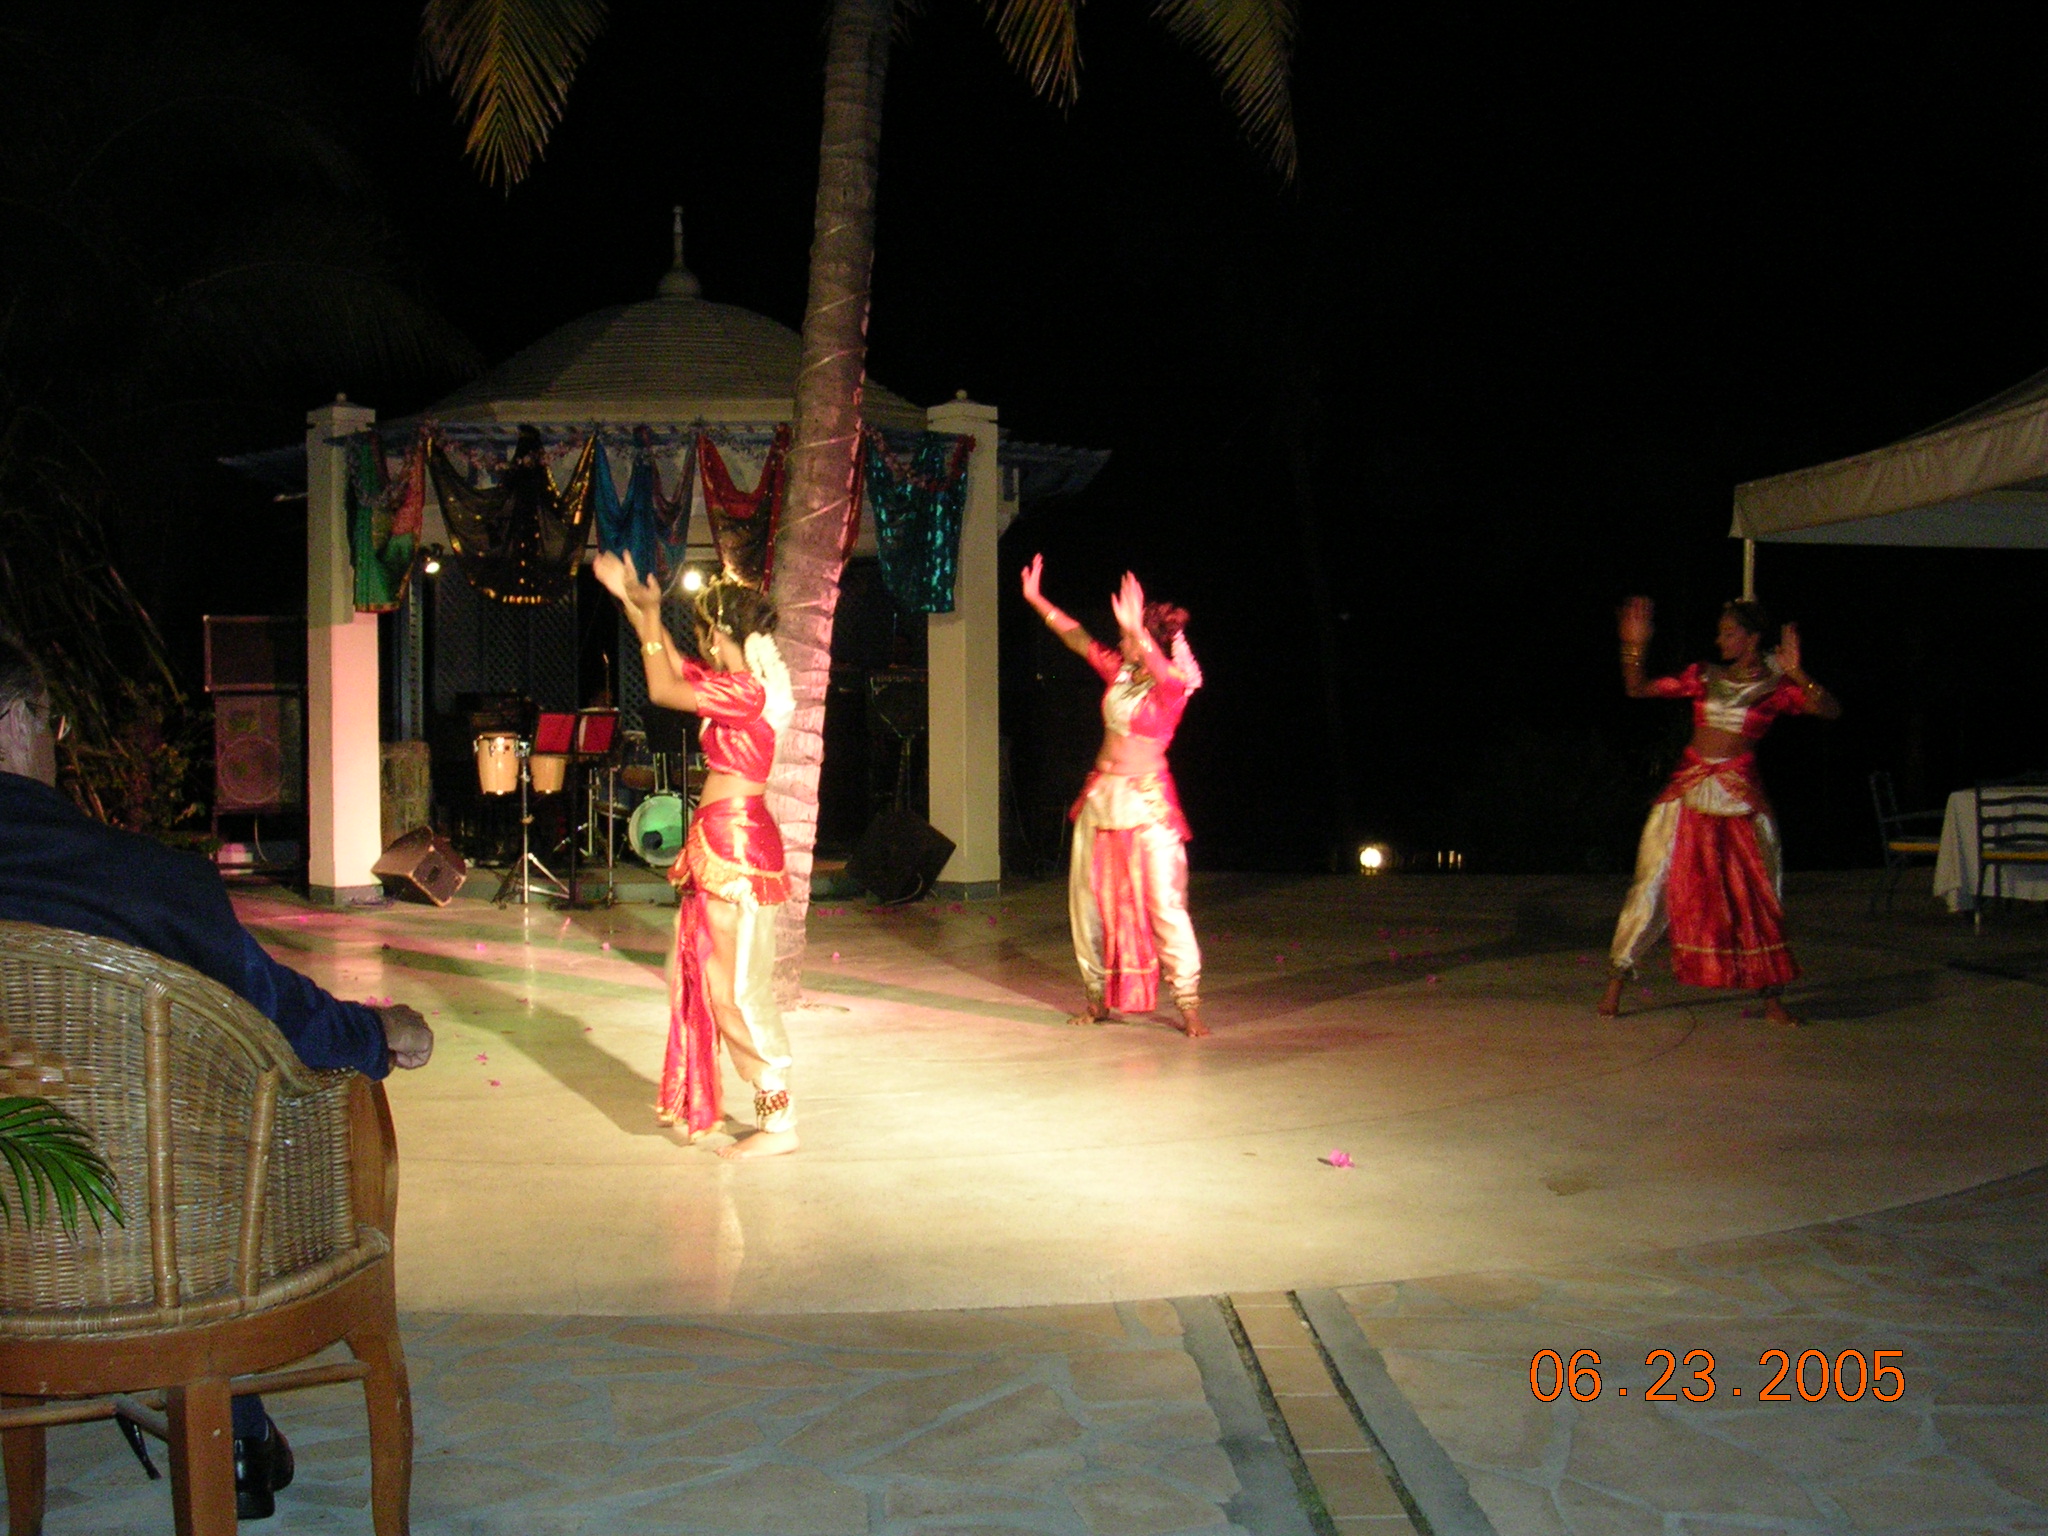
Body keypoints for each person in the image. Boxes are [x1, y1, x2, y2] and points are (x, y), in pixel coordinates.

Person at [0, 631, 433, 1520]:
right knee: (213, 1142)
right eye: (53, 724)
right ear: (18, 723)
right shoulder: (144, 881)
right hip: (154, 1248)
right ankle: (233, 1430)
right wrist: (378, 1033)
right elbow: (282, 1019)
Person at [592, 552, 799, 1159]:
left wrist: (650, 611)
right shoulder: (735, 686)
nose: (701, 642)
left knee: (735, 989)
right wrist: (633, 604)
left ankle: (779, 1120)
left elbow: (661, 685)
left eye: (704, 629)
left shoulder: (746, 692)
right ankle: (762, 1109)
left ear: (719, 632)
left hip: (736, 846)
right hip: (724, 840)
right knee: (706, 980)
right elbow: (672, 662)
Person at [1598, 597, 1841, 1026]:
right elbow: (1637, 688)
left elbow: (1830, 710)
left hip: (1741, 797)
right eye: (1720, 632)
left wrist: (1798, 672)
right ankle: (1616, 981)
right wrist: (1634, 645)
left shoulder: (1775, 686)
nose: (1719, 640)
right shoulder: (1703, 675)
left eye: (1729, 632)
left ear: (1753, 638)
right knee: (1653, 880)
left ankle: (1772, 998)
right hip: (1688, 788)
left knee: (1756, 895)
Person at [1021, 557, 1208, 1038]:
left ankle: (1188, 1004)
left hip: (1146, 806)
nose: (1120, 645)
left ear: (1151, 645)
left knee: (1164, 905)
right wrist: (1037, 600)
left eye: (1127, 639)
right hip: (1102, 798)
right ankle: (1096, 998)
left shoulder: (1172, 689)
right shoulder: (1122, 675)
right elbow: (1078, 638)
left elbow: (1163, 673)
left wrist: (1137, 631)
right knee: (1088, 902)